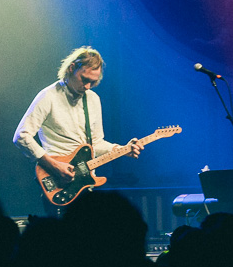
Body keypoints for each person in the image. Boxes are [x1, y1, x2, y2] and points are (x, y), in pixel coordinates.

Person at [13, 46, 142, 216]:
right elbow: (21, 136)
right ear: (72, 68)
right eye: (84, 79)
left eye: (93, 82)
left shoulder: (93, 99)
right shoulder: (48, 96)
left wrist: (121, 150)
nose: (88, 86)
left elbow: (96, 144)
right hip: (59, 182)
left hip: (85, 185)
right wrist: (54, 165)